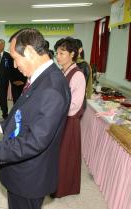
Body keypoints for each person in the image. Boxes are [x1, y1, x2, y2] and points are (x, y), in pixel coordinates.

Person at [0, 28, 71, 209]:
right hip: (24, 171)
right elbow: (26, 114)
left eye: (15, 59)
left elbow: (35, 141)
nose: (16, 66)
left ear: (28, 52)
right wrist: (1, 127)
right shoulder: (42, 78)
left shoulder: (51, 87)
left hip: (30, 176)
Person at [53, 37, 86, 198]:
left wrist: (54, 110)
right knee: (56, 156)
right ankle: (54, 185)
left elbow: (75, 105)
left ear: (72, 54)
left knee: (65, 156)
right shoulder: (61, 71)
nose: (58, 56)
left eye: (62, 52)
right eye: (57, 53)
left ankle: (63, 188)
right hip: (58, 120)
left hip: (68, 121)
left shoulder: (77, 74)